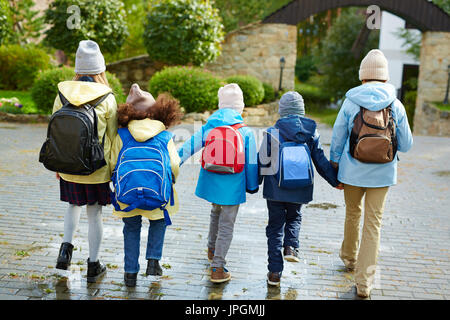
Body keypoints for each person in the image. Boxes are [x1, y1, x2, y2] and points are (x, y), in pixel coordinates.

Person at [330, 49, 413, 298]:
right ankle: (364, 284)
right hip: (383, 173)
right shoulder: (395, 104)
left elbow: (337, 137)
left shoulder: (350, 101)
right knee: (373, 224)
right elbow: (407, 145)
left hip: (352, 171)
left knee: (352, 214)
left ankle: (348, 258)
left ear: (363, 76)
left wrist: (335, 165)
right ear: (385, 77)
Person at [177, 83, 259, 283]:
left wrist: (173, 163)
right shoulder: (245, 131)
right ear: (240, 107)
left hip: (211, 180)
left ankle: (212, 249)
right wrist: (252, 185)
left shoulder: (210, 126)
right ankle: (217, 268)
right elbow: (251, 162)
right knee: (227, 224)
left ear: (221, 105)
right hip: (233, 184)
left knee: (215, 212)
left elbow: (189, 146)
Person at [258, 91, 341, 287]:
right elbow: (320, 159)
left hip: (275, 190)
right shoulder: (311, 132)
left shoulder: (272, 132)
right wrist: (334, 181)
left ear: (281, 111)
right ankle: (291, 248)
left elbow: (262, 161)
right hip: (300, 188)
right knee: (294, 217)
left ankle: (274, 272)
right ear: (302, 111)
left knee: (275, 227)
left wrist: (253, 183)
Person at [53, 40, 118, 283]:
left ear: (78, 69)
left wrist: (59, 165)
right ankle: (93, 264)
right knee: (95, 214)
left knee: (72, 206)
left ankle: (64, 254)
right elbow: (112, 140)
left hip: (68, 165)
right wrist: (112, 170)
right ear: (100, 70)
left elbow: (56, 132)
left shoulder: (62, 93)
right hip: (96, 168)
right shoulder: (107, 98)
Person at [109, 84, 182, 287]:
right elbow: (174, 164)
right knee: (158, 221)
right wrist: (171, 179)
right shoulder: (164, 135)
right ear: (156, 111)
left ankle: (130, 272)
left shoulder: (122, 135)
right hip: (157, 193)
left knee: (131, 228)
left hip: (127, 195)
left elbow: (113, 162)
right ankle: (153, 262)